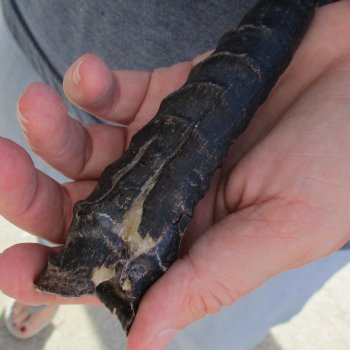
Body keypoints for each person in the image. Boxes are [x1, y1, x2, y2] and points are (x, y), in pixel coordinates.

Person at [0, 0, 349, 349]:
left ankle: (74, 281)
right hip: (49, 28)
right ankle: (63, 284)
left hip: (308, 74)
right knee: (47, 198)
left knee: (196, 323)